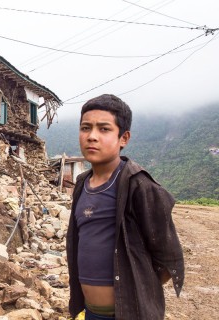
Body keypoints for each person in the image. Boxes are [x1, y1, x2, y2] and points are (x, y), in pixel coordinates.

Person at [66, 94, 184, 320]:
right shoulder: (82, 183)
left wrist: (136, 286)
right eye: (85, 128)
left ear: (124, 138)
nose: (92, 136)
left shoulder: (139, 185)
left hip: (130, 313)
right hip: (91, 312)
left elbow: (168, 257)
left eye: (104, 129)